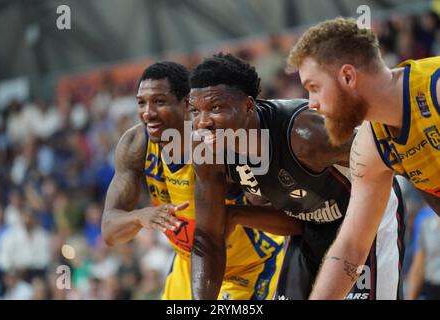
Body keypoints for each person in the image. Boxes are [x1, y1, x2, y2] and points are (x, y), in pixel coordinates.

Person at [189, 53, 405, 300]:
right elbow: (207, 236)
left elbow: (387, 154)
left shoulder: (306, 136)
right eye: (195, 111)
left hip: (365, 220)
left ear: (248, 106)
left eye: (215, 108)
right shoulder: (207, 152)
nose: (202, 122)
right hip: (309, 226)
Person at [101, 61, 299, 300]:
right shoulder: (135, 144)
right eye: (141, 102)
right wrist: (139, 216)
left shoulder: (216, 146)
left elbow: (289, 220)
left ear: (187, 104)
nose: (147, 112)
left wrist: (234, 214)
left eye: (159, 102)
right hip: (190, 264)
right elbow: (110, 232)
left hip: (247, 268)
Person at [287, 17, 440, 299]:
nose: (312, 103)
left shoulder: (434, 90)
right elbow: (350, 249)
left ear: (347, 77)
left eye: (314, 87)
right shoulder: (370, 146)